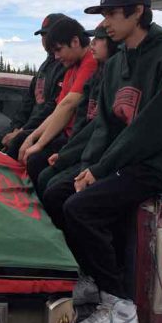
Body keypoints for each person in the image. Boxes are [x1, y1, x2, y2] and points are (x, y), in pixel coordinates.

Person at [42, 0, 162, 323]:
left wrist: (100, 171)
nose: (106, 23)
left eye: (113, 14)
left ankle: (120, 308)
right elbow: (105, 126)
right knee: (57, 193)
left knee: (83, 208)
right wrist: (85, 167)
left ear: (138, 13)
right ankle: (91, 278)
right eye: (103, 15)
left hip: (158, 161)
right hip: (125, 159)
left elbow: (152, 129)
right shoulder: (116, 66)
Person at [37, 24, 120, 199]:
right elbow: (81, 120)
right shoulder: (95, 75)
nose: (92, 45)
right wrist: (65, 153)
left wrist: (66, 155)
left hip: (101, 155)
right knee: (47, 178)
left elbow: (100, 127)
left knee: (55, 189)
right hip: (83, 148)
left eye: (98, 39)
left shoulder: (116, 77)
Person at [18, 17, 97, 188]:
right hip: (68, 136)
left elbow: (69, 105)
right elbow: (58, 110)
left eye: (59, 50)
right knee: (28, 151)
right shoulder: (72, 67)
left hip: (79, 140)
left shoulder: (90, 61)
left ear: (75, 41)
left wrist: (38, 144)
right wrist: (31, 138)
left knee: (43, 170)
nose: (56, 56)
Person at [0, 13, 66, 159]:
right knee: (2, 138)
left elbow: (53, 107)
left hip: (47, 132)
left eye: (48, 35)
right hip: (29, 128)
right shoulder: (45, 65)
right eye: (42, 35)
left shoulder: (65, 65)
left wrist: (22, 131)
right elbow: (28, 102)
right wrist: (16, 127)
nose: (45, 39)